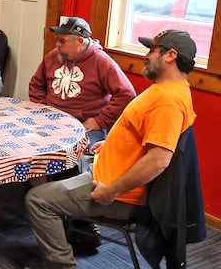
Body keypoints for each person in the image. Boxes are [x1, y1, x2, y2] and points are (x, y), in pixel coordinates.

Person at [24, 29, 198, 269]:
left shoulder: (167, 102)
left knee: (37, 200)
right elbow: (143, 137)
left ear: (170, 55)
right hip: (103, 171)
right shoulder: (166, 90)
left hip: (115, 191)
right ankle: (79, 234)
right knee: (62, 176)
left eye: (152, 50)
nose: (146, 56)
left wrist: (112, 190)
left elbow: (159, 160)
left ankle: (61, 265)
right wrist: (112, 143)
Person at [29, 16, 136, 147]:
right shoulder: (54, 55)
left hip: (84, 123)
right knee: (29, 142)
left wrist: (101, 121)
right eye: (57, 39)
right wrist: (42, 108)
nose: (57, 44)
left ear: (80, 41)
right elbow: (36, 84)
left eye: (63, 41)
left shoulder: (102, 61)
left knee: (82, 154)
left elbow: (126, 94)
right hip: (50, 118)